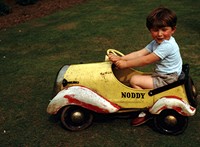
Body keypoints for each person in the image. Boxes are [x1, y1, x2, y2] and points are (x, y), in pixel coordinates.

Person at [108, 7, 182, 126]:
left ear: (173, 30)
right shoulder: (157, 42)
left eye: (164, 29)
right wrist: (121, 58)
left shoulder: (167, 46)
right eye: (155, 30)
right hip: (164, 75)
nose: (159, 34)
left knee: (134, 80)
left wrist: (125, 64)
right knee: (138, 77)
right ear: (150, 30)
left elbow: (145, 60)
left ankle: (146, 108)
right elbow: (139, 53)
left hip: (167, 79)